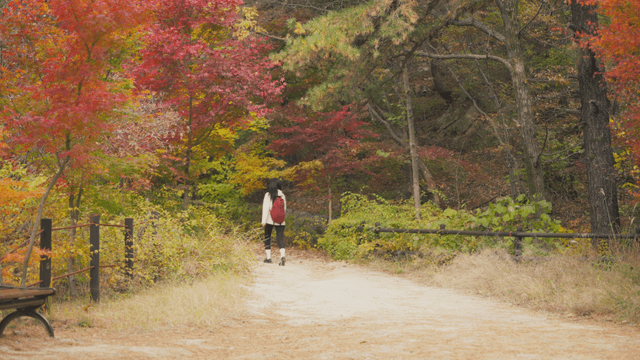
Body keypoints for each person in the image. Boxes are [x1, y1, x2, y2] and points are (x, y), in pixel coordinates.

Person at [262, 178, 287, 265]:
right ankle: (282, 256)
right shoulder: (282, 195)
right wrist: (281, 218)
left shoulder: (268, 195)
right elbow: (284, 209)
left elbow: (265, 208)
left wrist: (263, 221)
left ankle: (268, 258)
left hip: (269, 220)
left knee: (267, 237)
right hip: (280, 221)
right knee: (280, 238)